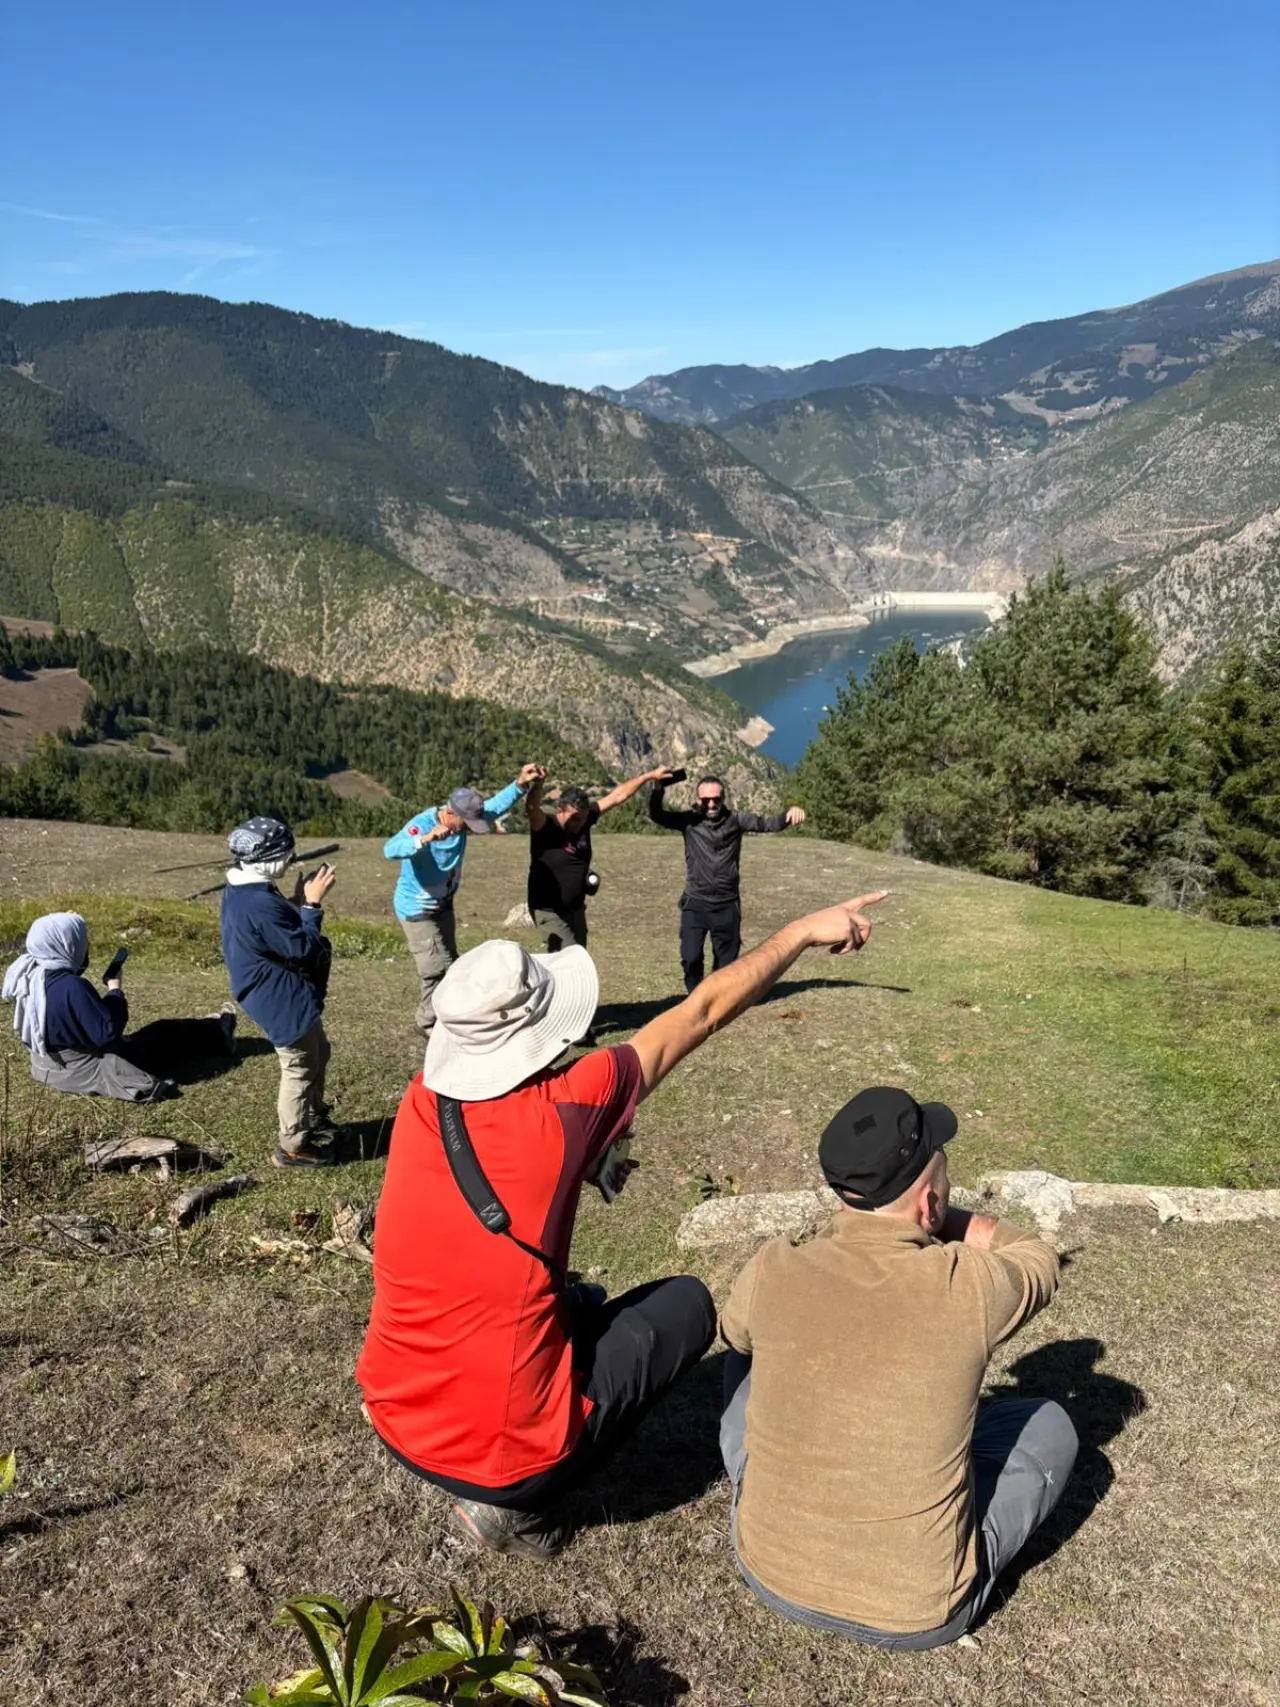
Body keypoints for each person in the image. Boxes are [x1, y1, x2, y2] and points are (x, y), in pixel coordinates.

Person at [355, 885, 887, 1561]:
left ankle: (502, 1477)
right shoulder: (574, 1105)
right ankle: (514, 1510)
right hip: (499, 1456)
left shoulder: (420, 1101)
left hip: (395, 1413)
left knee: (583, 1302)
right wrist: (804, 931)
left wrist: (584, 1159)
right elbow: (703, 1010)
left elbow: (498, 1162)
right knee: (687, 1304)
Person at [718, 1085, 1078, 1649]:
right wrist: (956, 1223)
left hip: (765, 1568)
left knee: (744, 1376)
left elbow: (733, 1339)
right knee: (1052, 1425)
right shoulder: (968, 1285)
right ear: (929, 1204)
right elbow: (1037, 1259)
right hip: (918, 1612)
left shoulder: (773, 1266)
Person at [2, 910, 236, 1103]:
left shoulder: (28, 975)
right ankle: (221, 1032)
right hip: (84, 1069)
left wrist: (67, 922)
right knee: (163, 1033)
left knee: (157, 1036)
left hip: (48, 1068)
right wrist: (115, 989)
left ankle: (213, 1027)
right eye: (81, 940)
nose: (86, 946)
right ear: (67, 945)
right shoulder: (72, 987)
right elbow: (107, 1033)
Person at [384, 766, 543, 1036]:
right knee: (438, 968)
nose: (469, 830)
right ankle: (428, 1023)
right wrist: (423, 840)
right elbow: (389, 849)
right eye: (466, 824)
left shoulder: (464, 821)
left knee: (450, 963)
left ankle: (445, 1014)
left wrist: (519, 784)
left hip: (442, 905)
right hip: (416, 910)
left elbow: (495, 806)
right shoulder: (421, 825)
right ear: (449, 813)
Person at [218, 816, 338, 1169]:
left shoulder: (246, 888)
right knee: (299, 1066)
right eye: (287, 853)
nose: (291, 858)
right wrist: (311, 906)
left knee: (319, 1051)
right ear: (270, 858)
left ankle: (312, 1118)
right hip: (279, 999)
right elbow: (301, 948)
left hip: (277, 991)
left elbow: (271, 931)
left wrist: (296, 902)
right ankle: (293, 1145)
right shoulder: (259, 903)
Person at [648, 772, 807, 991]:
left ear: (723, 799)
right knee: (691, 957)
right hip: (695, 903)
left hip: (727, 905)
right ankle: (695, 999)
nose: (711, 804)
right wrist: (658, 789)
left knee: (726, 965)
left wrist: (790, 813)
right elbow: (657, 815)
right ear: (697, 800)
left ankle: (717, 1000)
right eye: (706, 800)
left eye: (717, 799)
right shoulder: (688, 821)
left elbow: (767, 823)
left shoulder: (736, 820)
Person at [526, 764, 672, 952]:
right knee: (569, 961)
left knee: (579, 960)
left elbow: (618, 796)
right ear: (559, 809)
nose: (579, 823)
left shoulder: (585, 819)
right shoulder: (545, 826)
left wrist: (650, 776)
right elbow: (531, 808)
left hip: (575, 909)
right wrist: (538, 785)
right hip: (549, 910)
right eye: (575, 818)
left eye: (584, 818)